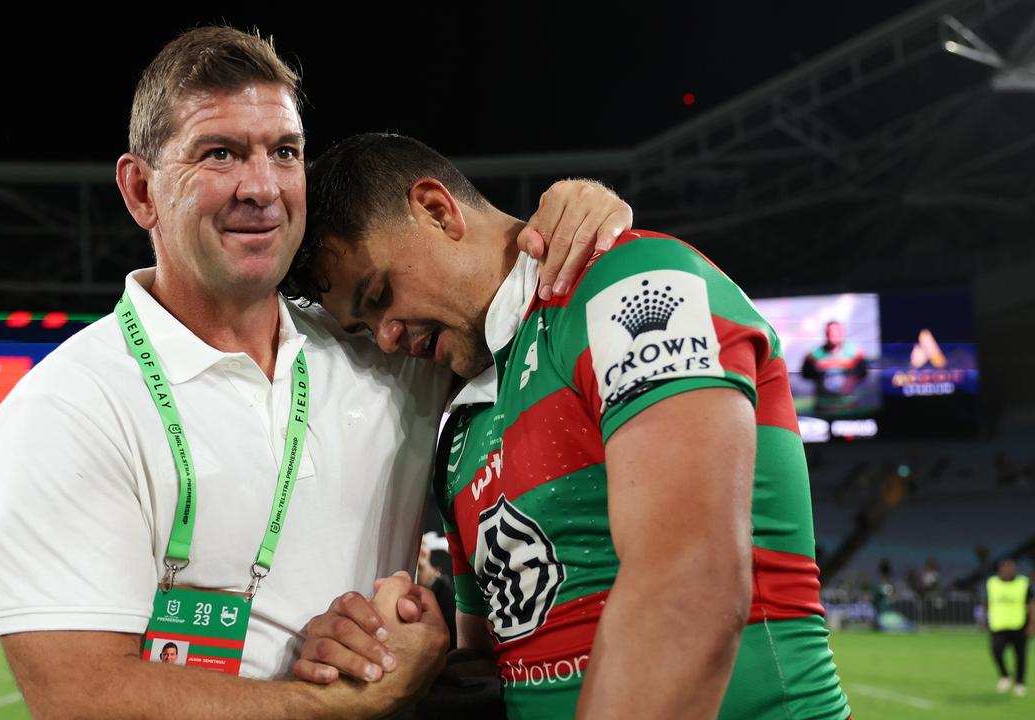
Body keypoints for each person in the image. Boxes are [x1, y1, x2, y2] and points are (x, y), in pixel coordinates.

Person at [0, 27, 633, 720]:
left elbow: (499, 291)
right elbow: (82, 697)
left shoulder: (386, 350)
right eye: (220, 153)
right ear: (141, 190)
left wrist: (577, 212)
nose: (261, 187)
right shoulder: (67, 407)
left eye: (283, 152)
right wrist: (349, 701)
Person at [281, 133, 852, 719]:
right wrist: (399, 653)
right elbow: (498, 667)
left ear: (436, 209)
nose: (386, 337)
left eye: (379, 295)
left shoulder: (632, 282)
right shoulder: (459, 430)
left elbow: (690, 587)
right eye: (363, 325)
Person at [800, 320, 868, 418]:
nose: (832, 335)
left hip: (848, 405)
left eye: (835, 332)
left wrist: (851, 377)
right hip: (824, 405)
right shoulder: (814, 354)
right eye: (829, 332)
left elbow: (863, 373)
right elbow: (806, 373)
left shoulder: (855, 352)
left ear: (842, 333)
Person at [986, 559, 1033, 696]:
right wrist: (985, 618)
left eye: (1010, 568)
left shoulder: (1023, 583)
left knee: (1020, 656)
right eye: (1004, 568)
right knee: (996, 650)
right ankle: (1005, 675)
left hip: (1019, 624)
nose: (1007, 571)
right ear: (1000, 570)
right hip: (998, 625)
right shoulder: (992, 583)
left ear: (1014, 570)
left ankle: (1020, 683)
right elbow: (988, 601)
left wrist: (1032, 623)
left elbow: (1031, 603)